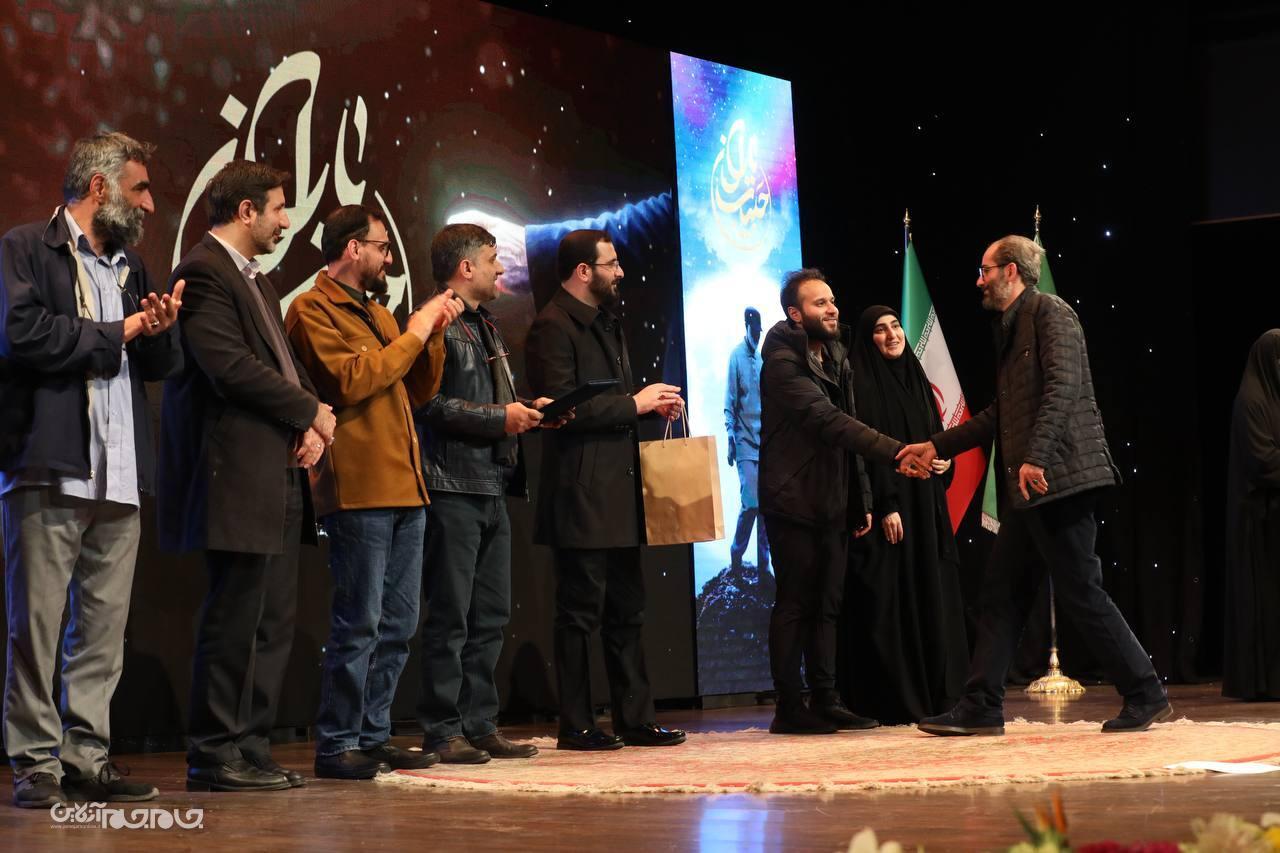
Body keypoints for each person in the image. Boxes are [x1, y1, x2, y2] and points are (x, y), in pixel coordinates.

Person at [899, 235, 1170, 736]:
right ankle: (981, 705)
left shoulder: (1050, 313)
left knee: (1081, 591)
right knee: (1002, 594)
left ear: (1010, 271)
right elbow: (1000, 414)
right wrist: (936, 446)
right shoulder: (1011, 326)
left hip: (1058, 480)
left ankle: (1146, 692)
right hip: (1031, 488)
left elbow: (1063, 388)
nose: (978, 281)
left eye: (984, 271)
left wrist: (1036, 457)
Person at [0, 131, 182, 808]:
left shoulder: (132, 267)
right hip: (49, 468)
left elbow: (158, 366)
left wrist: (160, 331)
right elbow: (23, 334)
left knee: (102, 633)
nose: (150, 204)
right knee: (36, 629)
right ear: (100, 188)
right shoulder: (27, 247)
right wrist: (122, 331)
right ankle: (35, 765)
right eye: (140, 189)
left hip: (120, 474)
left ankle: (85, 759)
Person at [159, 160, 337, 792]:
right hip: (234, 474)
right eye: (279, 208)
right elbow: (228, 367)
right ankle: (214, 753)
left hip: (275, 473)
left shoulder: (255, 279)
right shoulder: (204, 272)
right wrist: (308, 412)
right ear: (246, 212)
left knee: (272, 620)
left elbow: (284, 364)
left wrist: (313, 418)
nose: (286, 221)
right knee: (235, 618)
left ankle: (252, 745)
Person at [284, 205, 461, 778]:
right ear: (353, 248)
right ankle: (337, 742)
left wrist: (432, 335)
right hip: (359, 488)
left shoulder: (379, 313)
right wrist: (415, 331)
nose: (389, 258)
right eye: (382, 247)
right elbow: (353, 381)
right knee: (359, 621)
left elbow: (418, 390)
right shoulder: (311, 309)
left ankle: (374, 733)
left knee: (399, 624)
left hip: (407, 485)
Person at [524, 229, 687, 751]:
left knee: (628, 610)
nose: (620, 272)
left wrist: (648, 407)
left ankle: (635, 718)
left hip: (618, 491)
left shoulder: (605, 321)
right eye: (611, 264)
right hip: (581, 494)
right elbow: (560, 408)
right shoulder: (552, 326)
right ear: (583, 272)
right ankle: (575, 723)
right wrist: (634, 404)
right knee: (578, 613)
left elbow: (610, 406)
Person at [416, 224, 557, 764]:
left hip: (492, 485)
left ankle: (479, 724)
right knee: (451, 615)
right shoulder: (436, 322)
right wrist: (502, 418)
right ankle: (442, 729)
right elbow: (428, 405)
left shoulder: (485, 324)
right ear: (466, 267)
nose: (502, 268)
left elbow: (489, 396)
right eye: (493, 258)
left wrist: (529, 410)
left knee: (491, 615)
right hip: (452, 486)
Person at [758, 270, 917, 735]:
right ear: (795, 314)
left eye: (832, 300)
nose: (832, 309)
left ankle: (826, 699)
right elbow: (829, 421)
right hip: (793, 499)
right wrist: (897, 451)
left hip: (833, 498)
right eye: (819, 304)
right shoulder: (781, 362)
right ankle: (789, 706)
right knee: (796, 603)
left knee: (828, 604)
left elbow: (847, 430)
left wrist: (860, 498)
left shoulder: (837, 355)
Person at [838, 306, 967, 725]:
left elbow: (933, 435)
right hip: (892, 510)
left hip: (926, 504)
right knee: (892, 599)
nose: (892, 335)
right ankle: (895, 700)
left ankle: (939, 695)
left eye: (896, 326)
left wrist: (945, 459)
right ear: (867, 339)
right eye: (880, 330)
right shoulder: (861, 384)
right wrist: (886, 504)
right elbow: (865, 450)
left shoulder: (916, 377)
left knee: (933, 592)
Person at [1222, 329, 1280, 700]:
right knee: (1264, 603)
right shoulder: (1251, 401)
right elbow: (1263, 461)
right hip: (1257, 520)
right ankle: (1263, 682)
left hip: (1274, 518)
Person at [725, 306, 769, 578]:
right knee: (751, 502)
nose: (757, 336)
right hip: (743, 440)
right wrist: (730, 436)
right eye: (754, 331)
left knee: (766, 507)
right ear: (746, 327)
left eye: (759, 331)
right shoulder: (736, 356)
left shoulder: (763, 359)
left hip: (765, 442)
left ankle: (764, 566)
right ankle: (736, 554)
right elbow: (730, 400)